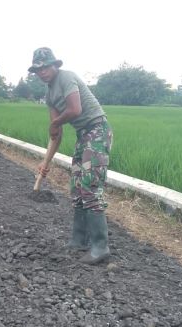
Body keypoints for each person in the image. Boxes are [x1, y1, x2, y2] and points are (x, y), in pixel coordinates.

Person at [29, 47, 113, 264]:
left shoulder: (67, 77)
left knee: (89, 185)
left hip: (97, 130)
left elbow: (74, 110)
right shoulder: (49, 94)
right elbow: (55, 135)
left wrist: (55, 122)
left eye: (45, 67)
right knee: (76, 186)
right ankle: (79, 240)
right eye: (38, 69)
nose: (42, 72)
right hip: (83, 135)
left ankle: (100, 246)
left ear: (55, 65)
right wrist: (45, 163)